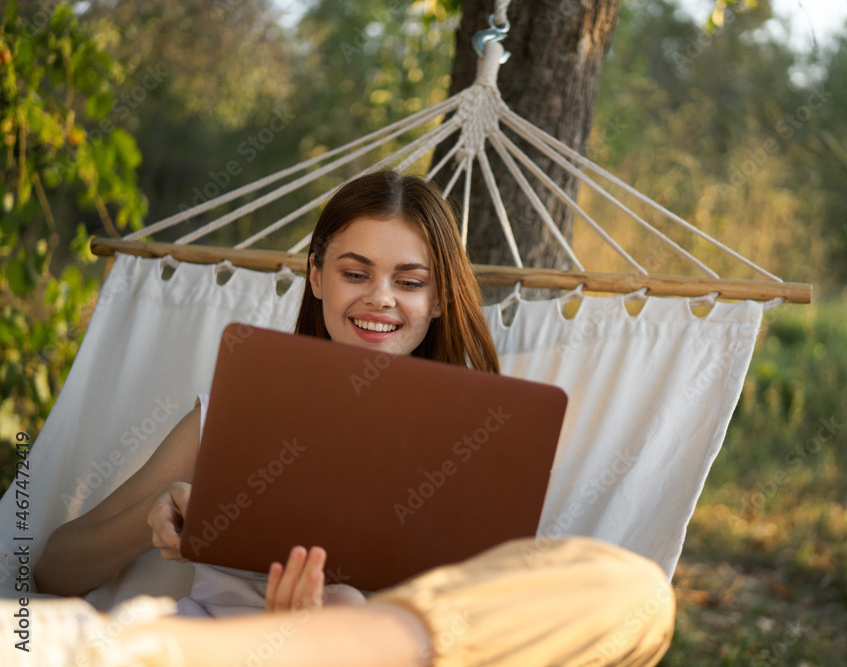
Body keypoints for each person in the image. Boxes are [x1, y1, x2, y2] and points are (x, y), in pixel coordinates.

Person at [27, 171, 675, 664]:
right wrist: (154, 526)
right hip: (214, 647)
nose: (380, 298)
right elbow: (54, 569)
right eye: (355, 271)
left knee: (635, 590)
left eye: (410, 280)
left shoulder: (484, 436)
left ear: (442, 295)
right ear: (315, 275)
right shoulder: (233, 407)